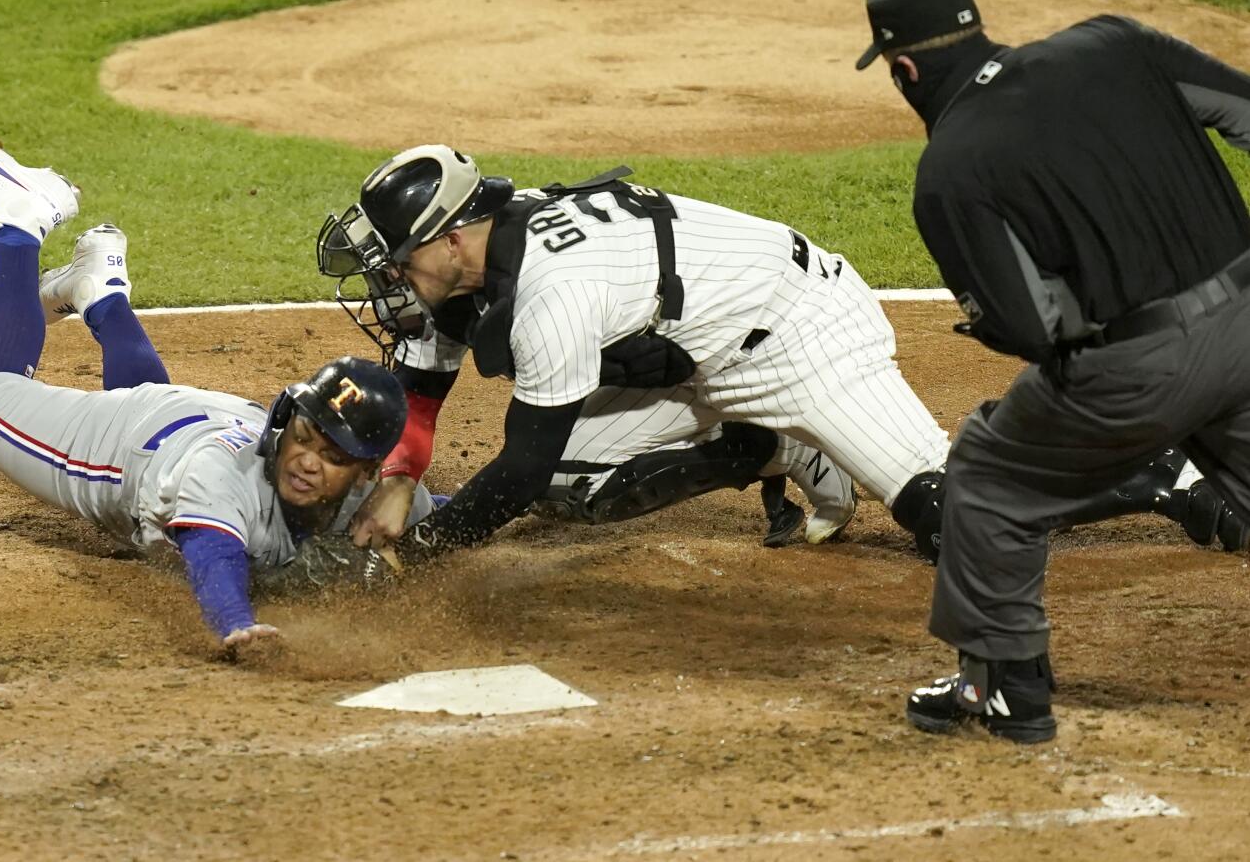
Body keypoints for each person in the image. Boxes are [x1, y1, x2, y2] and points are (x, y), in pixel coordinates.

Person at [313, 146, 1217, 578]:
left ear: (455, 236)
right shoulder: (477, 260)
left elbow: (517, 463)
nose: (390, 279)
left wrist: (422, 548)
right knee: (581, 489)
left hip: (801, 332)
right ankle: (766, 448)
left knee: (953, 523)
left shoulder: (556, 290)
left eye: (398, 259)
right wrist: (401, 472)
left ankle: (1156, 474)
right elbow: (429, 362)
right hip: (702, 355)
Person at [854, 0, 1250, 743]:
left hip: (1141, 372)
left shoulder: (951, 170)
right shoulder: (1115, 42)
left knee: (991, 475)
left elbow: (1033, 330)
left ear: (903, 72)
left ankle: (1002, 687)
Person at [0, 139, 435, 651]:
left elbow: (439, 511)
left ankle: (102, 292)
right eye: (305, 439)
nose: (308, 463)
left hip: (204, 420)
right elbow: (212, 557)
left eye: (333, 457)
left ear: (367, 472)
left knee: (150, 398)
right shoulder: (222, 479)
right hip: (124, 447)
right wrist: (235, 624)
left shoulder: (381, 497)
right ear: (288, 422)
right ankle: (21, 219)